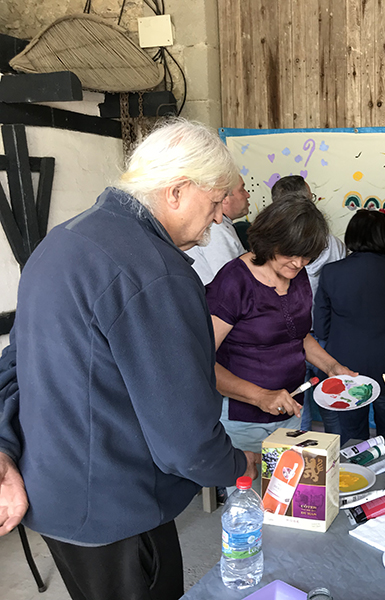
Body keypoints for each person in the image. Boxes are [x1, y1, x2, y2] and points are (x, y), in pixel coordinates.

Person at [0, 119, 259, 600]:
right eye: (217, 200)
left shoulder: (62, 241)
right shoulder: (152, 270)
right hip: (116, 507)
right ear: (177, 190)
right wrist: (234, 464)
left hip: (57, 496)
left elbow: (16, 363)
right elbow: (185, 437)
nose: (221, 218)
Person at [206, 194, 356, 469]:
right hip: (243, 418)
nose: (299, 263)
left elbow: (297, 335)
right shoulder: (234, 281)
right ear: (270, 239)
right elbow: (201, 361)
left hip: (291, 409)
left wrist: (332, 366)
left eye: (307, 256)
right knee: (253, 502)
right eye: (292, 253)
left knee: (289, 499)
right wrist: (261, 396)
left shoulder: (296, 276)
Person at [314, 209, 385, 444]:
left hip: (343, 368)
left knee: (349, 440)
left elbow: (320, 330)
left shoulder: (331, 273)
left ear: (352, 235)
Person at [270, 175, 346, 433]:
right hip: (317, 333)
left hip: (308, 337)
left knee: (299, 400)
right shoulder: (332, 244)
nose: (298, 264)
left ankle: (309, 450)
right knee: (324, 400)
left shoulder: (275, 253)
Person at [185, 174, 250, 284]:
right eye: (241, 190)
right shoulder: (215, 229)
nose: (247, 195)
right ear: (224, 197)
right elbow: (230, 281)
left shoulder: (220, 226)